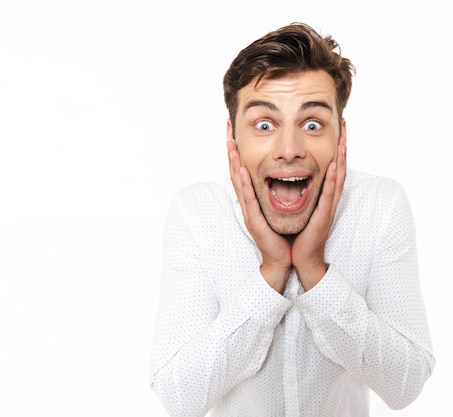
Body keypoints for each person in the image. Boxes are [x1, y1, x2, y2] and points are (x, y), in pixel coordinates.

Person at [149, 22, 435, 417]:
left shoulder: (379, 206)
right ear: (233, 138)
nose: (288, 150)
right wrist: (271, 274)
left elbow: (406, 384)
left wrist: (316, 271)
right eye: (264, 125)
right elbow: (179, 397)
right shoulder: (198, 213)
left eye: (312, 124)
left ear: (341, 136)